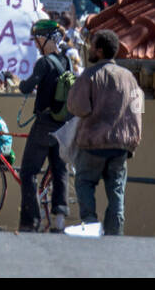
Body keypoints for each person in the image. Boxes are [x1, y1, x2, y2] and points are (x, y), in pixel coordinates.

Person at [66, 29, 142, 236]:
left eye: (92, 46)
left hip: (93, 143)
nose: (89, 50)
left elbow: (78, 108)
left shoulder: (90, 76)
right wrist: (132, 143)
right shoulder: (130, 78)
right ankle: (114, 234)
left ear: (99, 51)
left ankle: (91, 226)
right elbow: (137, 112)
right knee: (116, 193)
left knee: (84, 183)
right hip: (120, 147)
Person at [16, 18, 72, 232]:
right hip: (62, 125)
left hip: (44, 125)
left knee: (28, 172)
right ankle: (59, 220)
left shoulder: (44, 63)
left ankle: (31, 220)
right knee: (60, 170)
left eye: (37, 38)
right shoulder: (65, 61)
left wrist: (21, 82)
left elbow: (26, 87)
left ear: (45, 38)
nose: (35, 43)